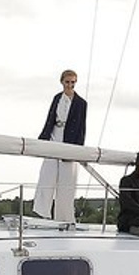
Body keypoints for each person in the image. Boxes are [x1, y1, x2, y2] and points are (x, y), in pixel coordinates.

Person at [33, 69, 87, 225]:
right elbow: (50, 119)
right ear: (62, 82)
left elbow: (82, 126)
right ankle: (43, 213)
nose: (70, 85)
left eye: (73, 82)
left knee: (67, 180)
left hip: (70, 140)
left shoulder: (81, 103)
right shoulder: (57, 98)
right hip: (54, 135)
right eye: (67, 82)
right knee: (47, 174)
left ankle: (64, 217)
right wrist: (42, 139)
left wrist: (79, 149)